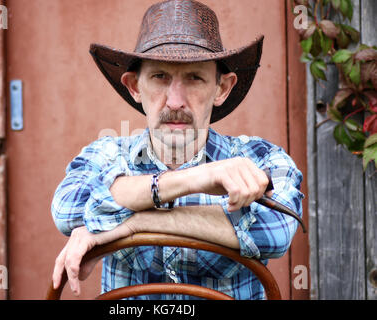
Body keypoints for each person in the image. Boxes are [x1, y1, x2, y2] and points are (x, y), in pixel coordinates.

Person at [51, 0, 304, 300]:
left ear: (221, 88)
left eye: (194, 78)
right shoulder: (106, 155)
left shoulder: (261, 159)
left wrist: (131, 222)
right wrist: (196, 179)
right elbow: (66, 210)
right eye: (160, 77)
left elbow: (276, 232)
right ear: (134, 86)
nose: (174, 102)